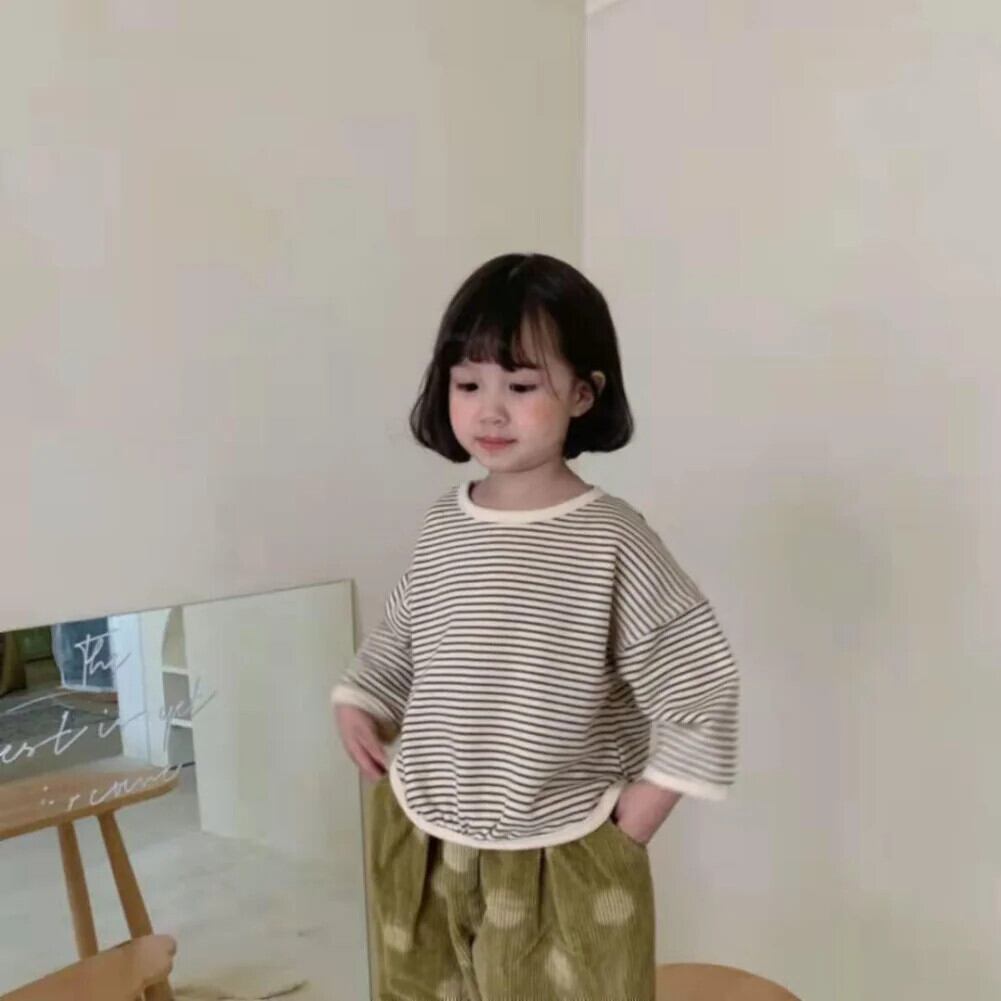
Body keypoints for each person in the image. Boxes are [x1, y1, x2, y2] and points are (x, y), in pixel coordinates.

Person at [332, 252, 740, 1001]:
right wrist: (361, 697)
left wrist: (639, 813)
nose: (490, 411)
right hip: (422, 834)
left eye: (521, 387)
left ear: (583, 393)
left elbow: (698, 679)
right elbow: (403, 635)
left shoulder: (611, 538)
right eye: (468, 384)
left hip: (565, 846)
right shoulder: (443, 524)